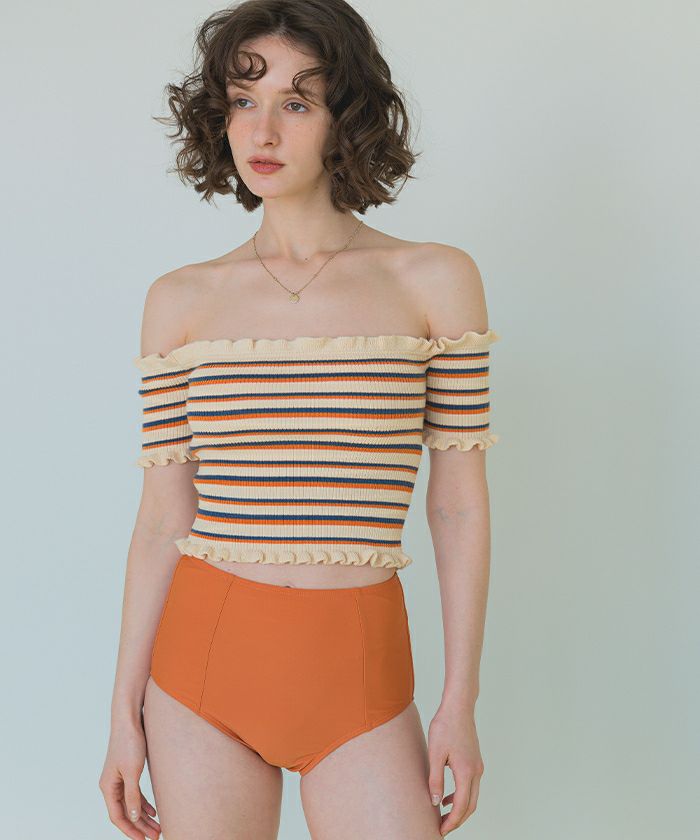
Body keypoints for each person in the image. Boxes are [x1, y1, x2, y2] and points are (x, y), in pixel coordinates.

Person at [99, 1, 500, 837]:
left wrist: (459, 700)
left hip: (361, 674)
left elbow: (458, 504)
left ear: (344, 116)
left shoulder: (434, 280)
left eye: (296, 101)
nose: (263, 131)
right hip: (202, 670)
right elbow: (162, 519)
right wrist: (121, 714)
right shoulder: (181, 300)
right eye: (243, 101)